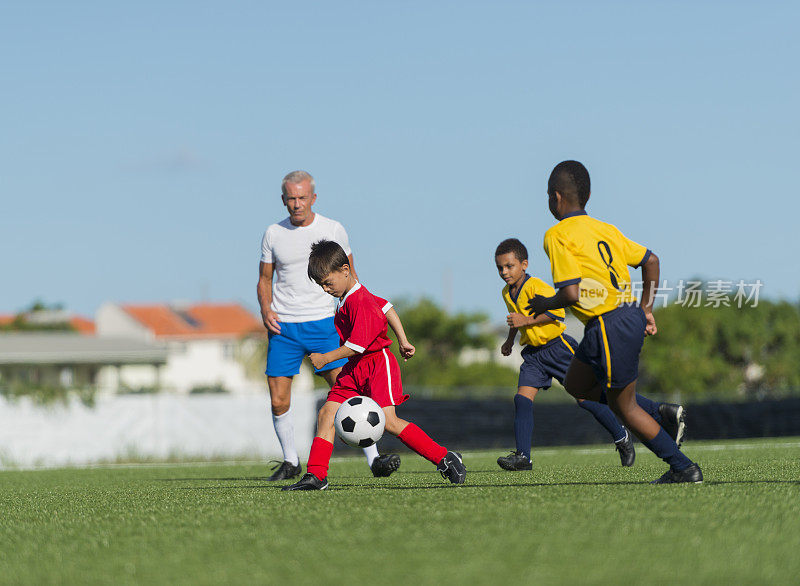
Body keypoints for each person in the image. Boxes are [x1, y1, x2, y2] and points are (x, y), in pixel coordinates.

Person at [530, 160, 702, 484]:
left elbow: (569, 293)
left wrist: (544, 303)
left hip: (610, 323)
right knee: (576, 385)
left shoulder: (557, 234)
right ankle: (661, 412)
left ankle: (683, 467)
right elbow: (651, 260)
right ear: (588, 195)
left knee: (625, 408)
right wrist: (646, 309)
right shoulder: (605, 229)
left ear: (555, 197)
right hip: (620, 320)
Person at [282, 240, 466, 490]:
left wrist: (325, 358)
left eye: (328, 282)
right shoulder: (352, 296)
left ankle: (445, 459)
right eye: (321, 285)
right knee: (327, 413)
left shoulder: (359, 301)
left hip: (378, 364)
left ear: (345, 270)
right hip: (355, 368)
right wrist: (403, 339)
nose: (325, 289)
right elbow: (388, 307)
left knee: (389, 422)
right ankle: (316, 475)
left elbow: (357, 345)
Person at [257, 170, 400, 481]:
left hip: (324, 323)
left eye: (302, 197)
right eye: (290, 198)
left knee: (349, 391)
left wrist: (366, 313)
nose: (296, 204)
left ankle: (374, 459)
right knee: (279, 398)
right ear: (283, 199)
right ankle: (291, 461)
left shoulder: (334, 228)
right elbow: (265, 279)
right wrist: (265, 308)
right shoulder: (273, 233)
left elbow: (352, 277)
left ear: (313, 198)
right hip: (284, 327)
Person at [495, 238, 685, 470]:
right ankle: (523, 457)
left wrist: (525, 319)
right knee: (522, 400)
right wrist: (509, 340)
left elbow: (557, 313)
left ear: (524, 264)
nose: (504, 272)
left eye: (509, 266)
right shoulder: (507, 292)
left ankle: (630, 430)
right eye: (500, 268)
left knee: (591, 398)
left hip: (558, 348)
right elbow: (517, 318)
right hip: (534, 355)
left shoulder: (536, 286)